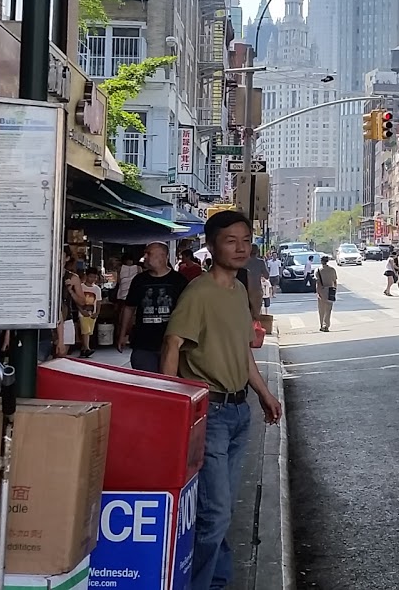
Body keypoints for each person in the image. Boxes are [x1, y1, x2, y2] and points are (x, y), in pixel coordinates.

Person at [163, 210, 282, 590]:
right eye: (231, 240)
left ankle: (216, 580)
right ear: (211, 246)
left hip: (238, 412)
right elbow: (173, 344)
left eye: (246, 240)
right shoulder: (199, 292)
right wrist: (171, 403)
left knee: (223, 509)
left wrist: (264, 394)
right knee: (214, 512)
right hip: (209, 413)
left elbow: (242, 351)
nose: (241, 247)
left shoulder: (238, 292)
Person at [118, 242, 189, 373]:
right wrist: (122, 334)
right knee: (147, 383)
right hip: (143, 343)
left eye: (148, 253)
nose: (144, 257)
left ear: (162, 256)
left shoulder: (179, 281)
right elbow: (129, 308)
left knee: (168, 385)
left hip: (170, 344)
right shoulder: (139, 280)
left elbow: (188, 311)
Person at [314, 255, 338, 332]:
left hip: (322, 290)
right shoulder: (332, 270)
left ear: (321, 261)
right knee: (328, 309)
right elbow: (335, 281)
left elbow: (317, 283)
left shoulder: (318, 270)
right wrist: (334, 290)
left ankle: (322, 325)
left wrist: (318, 292)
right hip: (330, 290)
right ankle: (326, 325)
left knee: (321, 309)